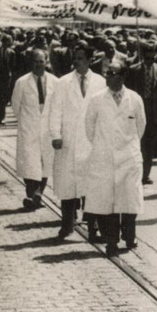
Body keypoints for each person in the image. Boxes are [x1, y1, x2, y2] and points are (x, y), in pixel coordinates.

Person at [84, 60, 146, 258]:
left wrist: (127, 147)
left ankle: (129, 235)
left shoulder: (135, 99)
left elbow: (141, 127)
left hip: (129, 157)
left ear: (123, 76)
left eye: (112, 73)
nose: (108, 77)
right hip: (104, 157)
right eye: (106, 73)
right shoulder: (96, 99)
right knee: (107, 202)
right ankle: (111, 241)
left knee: (129, 200)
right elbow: (89, 128)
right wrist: (105, 146)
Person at [48, 42, 104, 239]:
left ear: (89, 60)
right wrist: (55, 135)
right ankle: (67, 225)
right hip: (69, 141)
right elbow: (55, 110)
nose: (77, 62)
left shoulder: (100, 82)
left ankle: (93, 228)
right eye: (75, 58)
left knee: (91, 186)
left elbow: (103, 112)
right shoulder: (63, 82)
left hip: (91, 142)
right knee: (68, 185)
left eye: (81, 58)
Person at [11, 47, 58, 211]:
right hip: (29, 128)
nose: (39, 65)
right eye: (35, 61)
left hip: (47, 129)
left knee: (46, 162)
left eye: (41, 61)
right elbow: (16, 106)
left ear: (46, 62)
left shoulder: (55, 82)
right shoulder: (22, 82)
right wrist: (27, 121)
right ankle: (34, 194)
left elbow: (58, 106)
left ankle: (36, 195)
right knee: (29, 163)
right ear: (30, 63)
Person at [125, 41, 157, 185]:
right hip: (137, 110)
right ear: (143, 56)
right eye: (147, 58)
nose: (150, 61)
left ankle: (145, 174)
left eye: (152, 58)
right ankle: (135, 173)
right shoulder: (133, 70)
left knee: (149, 145)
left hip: (153, 111)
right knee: (137, 143)